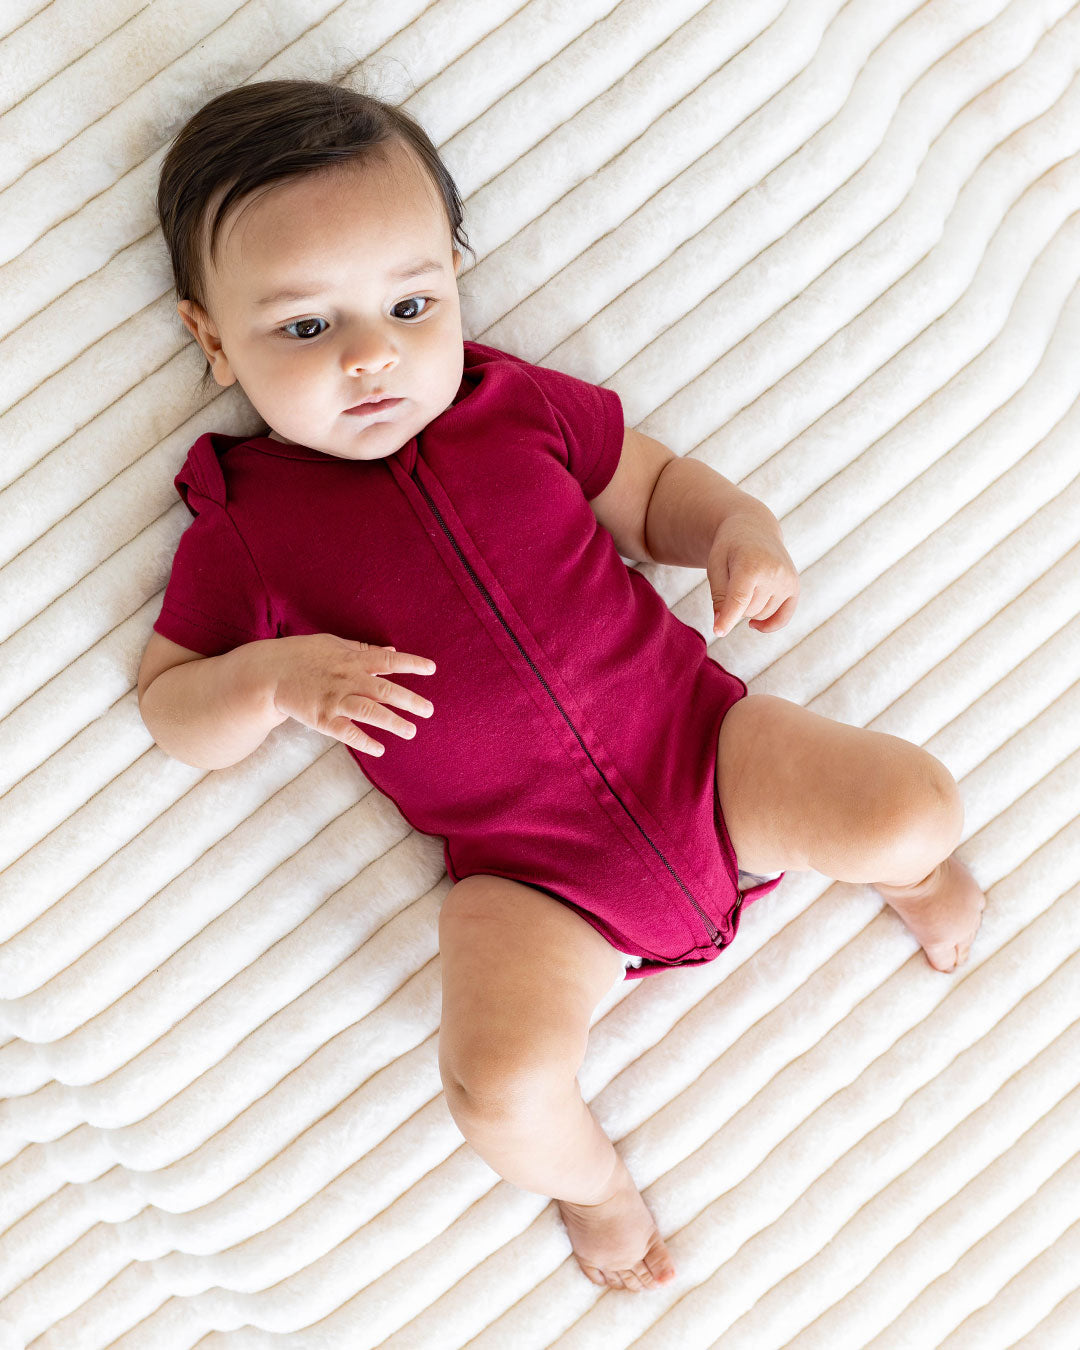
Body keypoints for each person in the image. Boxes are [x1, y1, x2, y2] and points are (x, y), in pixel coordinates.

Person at [138, 79, 986, 1295]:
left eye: (409, 303)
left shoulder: (509, 404)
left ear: (455, 284)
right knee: (498, 1086)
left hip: (701, 748)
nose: (374, 354)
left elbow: (652, 494)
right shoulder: (247, 525)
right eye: (304, 330)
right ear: (213, 339)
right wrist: (271, 682)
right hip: (523, 876)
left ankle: (914, 877)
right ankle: (599, 1191)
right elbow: (175, 708)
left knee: (912, 801)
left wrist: (737, 528)